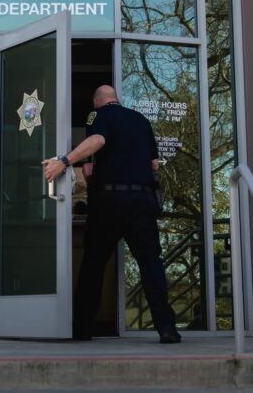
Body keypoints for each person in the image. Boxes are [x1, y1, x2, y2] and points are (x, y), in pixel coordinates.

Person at [43, 85, 181, 344]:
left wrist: (65, 161)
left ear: (97, 101)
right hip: (142, 201)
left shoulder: (98, 115)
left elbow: (98, 140)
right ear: (116, 98)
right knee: (151, 265)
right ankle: (167, 328)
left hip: (110, 201)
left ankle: (83, 329)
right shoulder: (141, 120)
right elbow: (154, 164)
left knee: (94, 264)